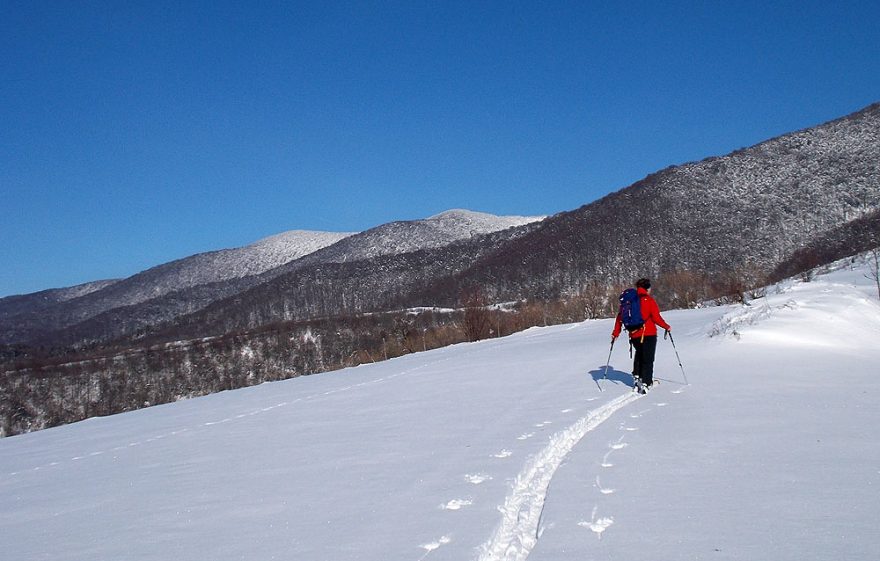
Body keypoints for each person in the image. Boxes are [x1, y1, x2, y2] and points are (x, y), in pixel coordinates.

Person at [612, 278, 671, 393]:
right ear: (647, 288)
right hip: (648, 333)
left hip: (634, 335)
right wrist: (666, 326)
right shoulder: (648, 300)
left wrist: (615, 333)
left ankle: (637, 376)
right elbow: (656, 318)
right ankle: (646, 382)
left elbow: (620, 318)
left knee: (639, 354)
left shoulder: (629, 301)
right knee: (648, 358)